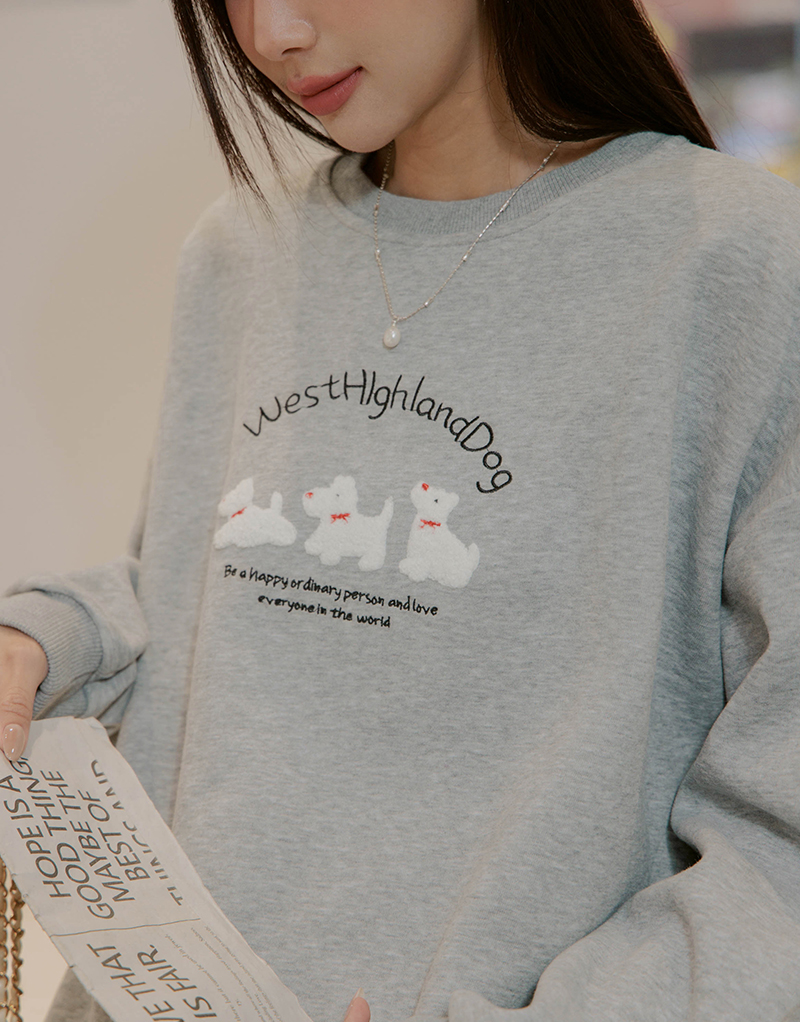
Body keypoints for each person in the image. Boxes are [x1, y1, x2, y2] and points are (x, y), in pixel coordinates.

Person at [2, 0, 800, 1019]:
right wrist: (49, 637)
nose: (270, 34)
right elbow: (215, 603)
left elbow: (777, 851)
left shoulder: (742, 264)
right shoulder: (241, 250)